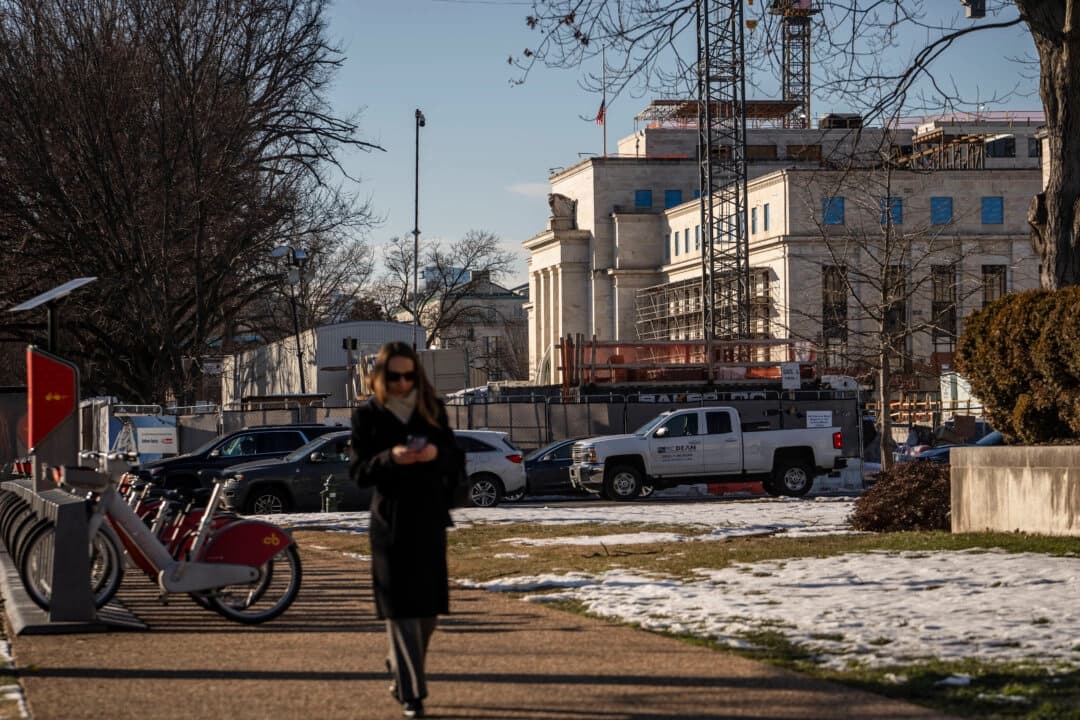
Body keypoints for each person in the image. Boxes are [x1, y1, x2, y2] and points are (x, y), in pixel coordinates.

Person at [349, 342, 464, 719]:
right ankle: (413, 695)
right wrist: (391, 458)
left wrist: (434, 455)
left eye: (409, 375)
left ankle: (397, 664)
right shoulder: (367, 415)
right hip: (391, 522)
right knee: (400, 611)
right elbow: (359, 472)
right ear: (381, 377)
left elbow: (453, 458)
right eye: (394, 376)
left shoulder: (431, 409)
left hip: (429, 519)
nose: (402, 383)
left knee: (427, 613)